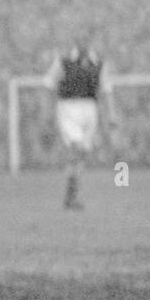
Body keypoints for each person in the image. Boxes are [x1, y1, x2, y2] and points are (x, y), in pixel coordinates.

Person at [44, 37, 119, 210]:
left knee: (82, 154)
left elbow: (107, 90)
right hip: (68, 108)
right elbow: (49, 84)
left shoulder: (98, 64)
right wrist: (47, 112)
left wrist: (112, 115)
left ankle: (71, 196)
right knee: (76, 149)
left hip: (90, 109)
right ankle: (70, 196)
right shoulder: (63, 62)